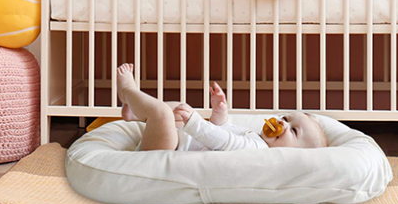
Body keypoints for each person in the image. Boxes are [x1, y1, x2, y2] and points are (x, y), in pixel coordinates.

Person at [116, 63, 328, 152]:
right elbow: (225, 130)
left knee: (163, 114)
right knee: (180, 109)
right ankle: (135, 113)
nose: (283, 123)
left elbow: (225, 141)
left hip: (165, 149)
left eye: (293, 130)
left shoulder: (258, 150)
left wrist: (196, 124)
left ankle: (127, 90)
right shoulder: (255, 138)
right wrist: (220, 113)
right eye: (287, 118)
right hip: (171, 141)